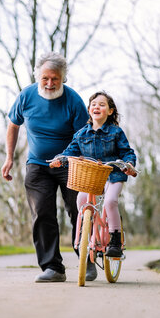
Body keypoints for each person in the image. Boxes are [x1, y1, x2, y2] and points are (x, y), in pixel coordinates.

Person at [1, 52, 89, 283]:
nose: (50, 84)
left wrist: (88, 161)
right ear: (38, 77)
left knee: (77, 211)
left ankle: (86, 259)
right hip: (38, 165)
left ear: (63, 79)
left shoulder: (73, 101)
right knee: (42, 214)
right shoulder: (26, 96)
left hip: (70, 164)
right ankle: (53, 267)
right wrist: (9, 158)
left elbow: (85, 137)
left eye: (55, 79)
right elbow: (13, 125)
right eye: (45, 79)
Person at [49, 91, 137, 280]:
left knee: (110, 202)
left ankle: (114, 239)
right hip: (91, 176)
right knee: (80, 199)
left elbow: (127, 152)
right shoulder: (81, 133)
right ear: (89, 110)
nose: (97, 107)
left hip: (112, 173)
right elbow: (70, 151)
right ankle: (85, 232)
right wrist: (60, 159)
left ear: (110, 111)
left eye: (102, 104)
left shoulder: (115, 132)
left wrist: (128, 165)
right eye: (93, 104)